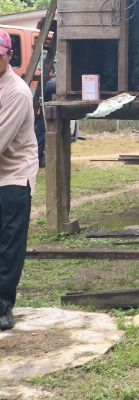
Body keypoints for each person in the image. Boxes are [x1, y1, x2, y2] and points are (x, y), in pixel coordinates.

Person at [0, 30, 40, 331]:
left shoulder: (16, 92)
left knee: (9, 244)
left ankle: (3, 305)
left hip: (13, 176)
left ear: (9, 56)